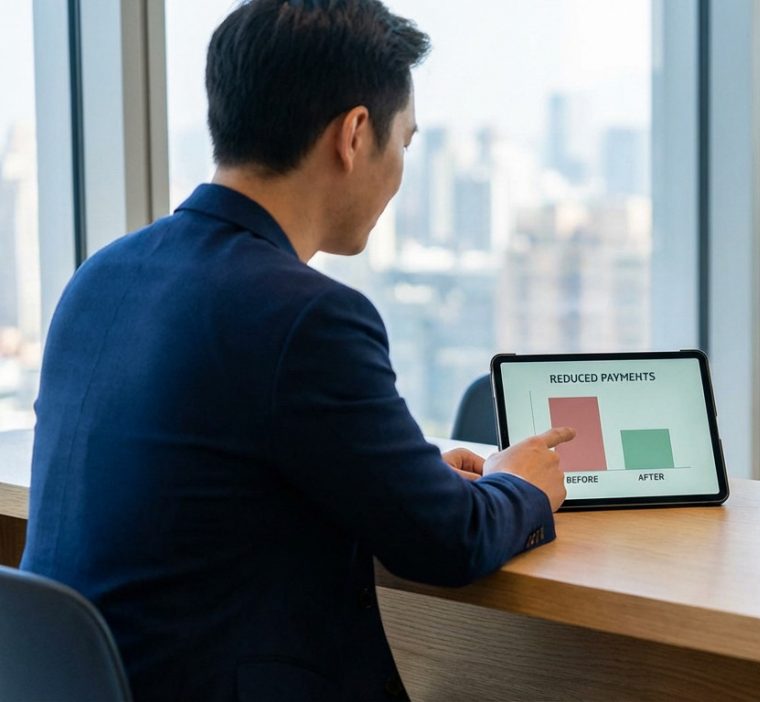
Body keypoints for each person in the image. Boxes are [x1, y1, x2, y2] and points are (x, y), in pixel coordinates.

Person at [20, 1, 572, 699]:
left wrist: (396, 472)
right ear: (354, 134)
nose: (401, 168)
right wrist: (520, 485)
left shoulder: (101, 277)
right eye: (406, 140)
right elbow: (448, 543)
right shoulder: (307, 316)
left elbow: (213, 472)